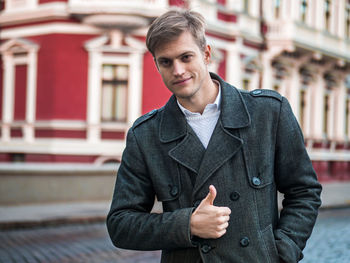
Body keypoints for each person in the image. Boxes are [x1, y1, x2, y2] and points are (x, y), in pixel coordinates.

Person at [107, 9, 322, 263]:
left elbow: (304, 191)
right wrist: (187, 225)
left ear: (206, 54)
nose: (178, 70)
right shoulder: (146, 136)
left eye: (186, 57)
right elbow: (121, 225)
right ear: (156, 65)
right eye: (166, 62)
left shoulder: (268, 112)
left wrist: (283, 252)